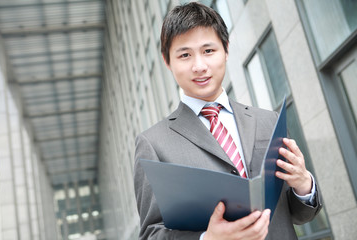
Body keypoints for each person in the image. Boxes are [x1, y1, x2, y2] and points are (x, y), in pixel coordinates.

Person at [134, 2, 322, 240]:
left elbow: (298, 215)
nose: (199, 66)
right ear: (167, 61)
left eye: (208, 51)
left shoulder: (268, 121)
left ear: (226, 49)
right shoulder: (153, 143)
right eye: (184, 55)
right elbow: (151, 234)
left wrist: (303, 185)